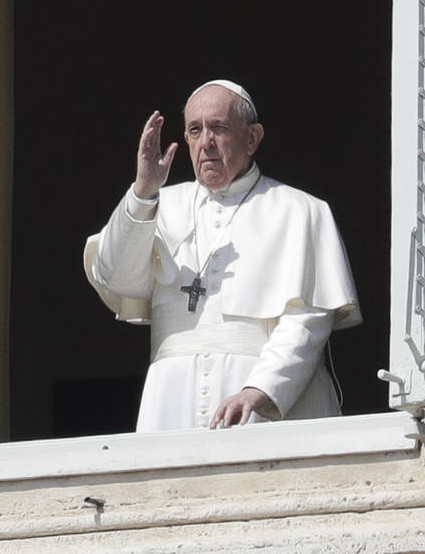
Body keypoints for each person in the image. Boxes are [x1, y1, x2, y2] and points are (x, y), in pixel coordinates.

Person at [82, 79, 361, 431]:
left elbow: (308, 317)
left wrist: (260, 389)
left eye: (219, 128)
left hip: (263, 397)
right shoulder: (158, 204)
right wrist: (143, 192)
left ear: (252, 138)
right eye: (195, 131)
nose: (206, 143)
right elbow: (116, 276)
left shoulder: (299, 210)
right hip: (171, 397)